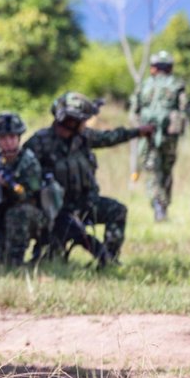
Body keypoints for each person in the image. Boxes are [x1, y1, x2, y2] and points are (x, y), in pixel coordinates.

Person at [25, 92, 154, 266]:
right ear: (71, 121)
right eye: (83, 120)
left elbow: (109, 137)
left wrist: (138, 132)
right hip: (57, 213)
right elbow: (25, 174)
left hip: (85, 203)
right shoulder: (39, 142)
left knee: (117, 210)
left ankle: (109, 260)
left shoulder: (83, 137)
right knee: (49, 260)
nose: (86, 124)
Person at [0, 113, 45, 265]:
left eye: (12, 137)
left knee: (18, 212)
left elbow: (32, 192)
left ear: (18, 138)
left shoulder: (28, 161)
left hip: (30, 216)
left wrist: (10, 187)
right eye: (3, 138)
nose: (8, 142)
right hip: (0, 212)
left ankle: (16, 259)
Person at [131, 50, 187, 221]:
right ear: (170, 68)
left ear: (153, 68)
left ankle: (158, 206)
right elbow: (183, 110)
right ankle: (162, 207)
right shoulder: (177, 85)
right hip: (169, 136)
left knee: (152, 171)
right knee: (166, 171)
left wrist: (139, 130)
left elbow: (134, 112)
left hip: (148, 134)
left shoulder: (144, 85)